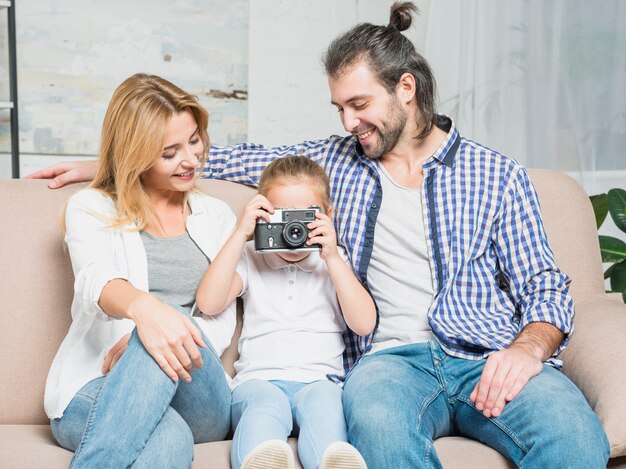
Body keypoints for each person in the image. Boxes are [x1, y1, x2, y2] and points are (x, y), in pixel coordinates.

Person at [31, 2, 610, 468]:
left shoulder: (497, 174)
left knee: (575, 442)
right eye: (338, 109)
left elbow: (544, 283)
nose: (347, 124)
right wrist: (108, 166)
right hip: (389, 365)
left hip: (486, 352)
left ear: (405, 88)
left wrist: (526, 350)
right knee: (381, 437)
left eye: (359, 105)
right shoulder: (332, 161)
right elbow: (223, 157)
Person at [44, 73, 236, 469]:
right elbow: (95, 279)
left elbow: (216, 314)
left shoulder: (216, 216)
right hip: (96, 386)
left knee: (166, 329)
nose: (190, 160)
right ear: (136, 154)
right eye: (170, 152)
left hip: (198, 390)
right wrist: (144, 312)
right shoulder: (92, 208)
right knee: (169, 439)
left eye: (195, 140)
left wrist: (152, 330)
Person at [196, 155, 374, 469]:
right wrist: (241, 234)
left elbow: (364, 324)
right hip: (258, 379)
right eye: (281, 216)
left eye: (302, 216)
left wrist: (332, 258)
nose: (292, 230)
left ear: (326, 215)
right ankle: (263, 460)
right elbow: (209, 303)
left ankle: (333, 461)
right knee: (264, 405)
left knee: (326, 408)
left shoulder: (334, 259)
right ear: (262, 212)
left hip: (321, 381)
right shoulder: (252, 256)